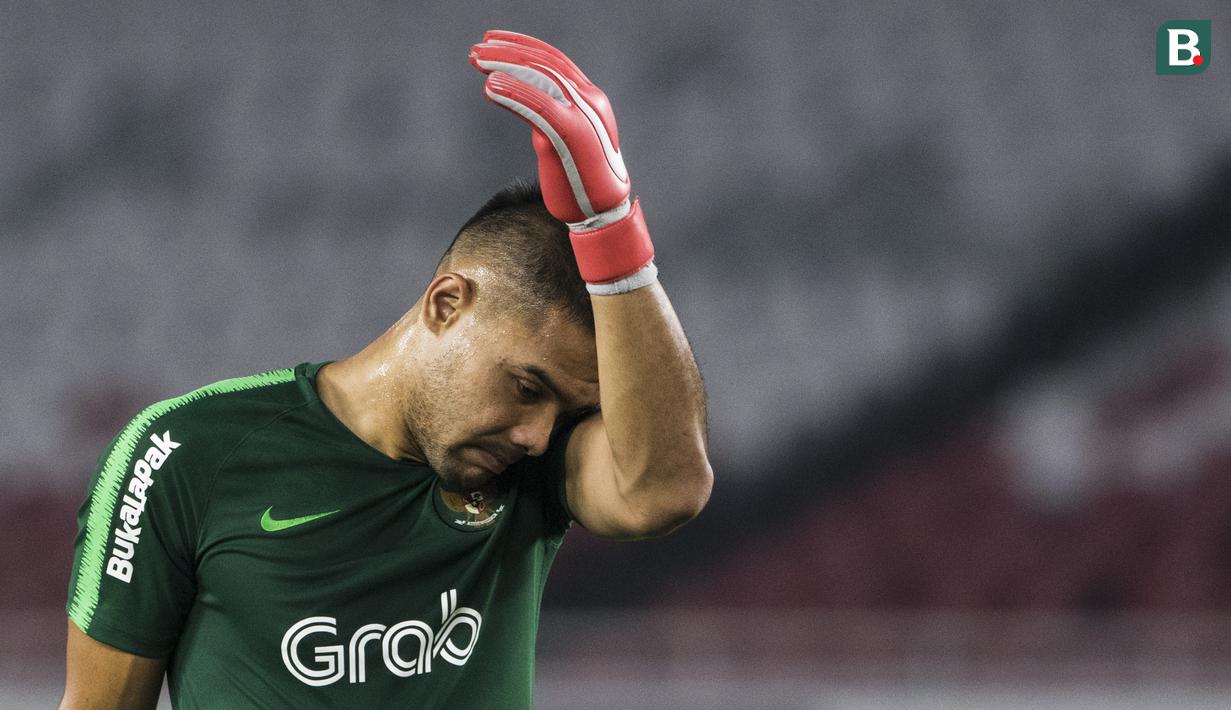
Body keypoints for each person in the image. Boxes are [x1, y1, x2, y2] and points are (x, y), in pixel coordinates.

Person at [60, 30, 712, 709]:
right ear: (447, 303)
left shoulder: (532, 473)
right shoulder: (180, 454)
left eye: (562, 411)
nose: (537, 436)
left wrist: (614, 235)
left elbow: (663, 491)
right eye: (526, 388)